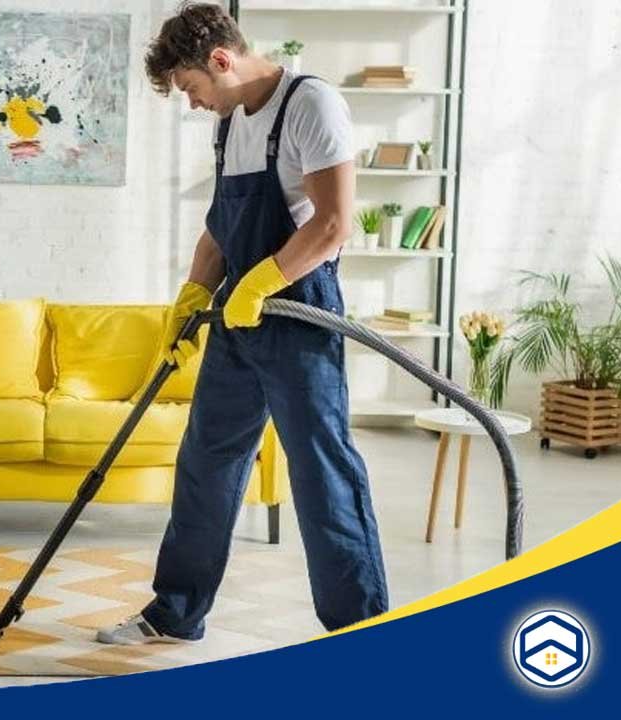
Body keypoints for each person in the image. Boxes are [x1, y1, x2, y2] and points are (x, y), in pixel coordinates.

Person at [98, 3, 388, 644]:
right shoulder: (231, 126)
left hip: (297, 308)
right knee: (206, 460)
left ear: (221, 62)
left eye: (191, 88)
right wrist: (191, 295)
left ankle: (360, 630)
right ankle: (175, 612)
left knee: (319, 470)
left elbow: (335, 221)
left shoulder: (310, 105)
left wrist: (261, 282)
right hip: (237, 313)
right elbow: (220, 223)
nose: (193, 103)